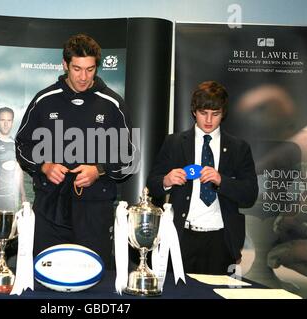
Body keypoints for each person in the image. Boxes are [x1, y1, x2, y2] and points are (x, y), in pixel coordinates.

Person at [15, 33, 135, 269]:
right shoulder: (44, 100)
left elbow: (130, 157)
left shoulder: (113, 104)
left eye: (90, 69)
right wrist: (44, 166)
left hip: (95, 212)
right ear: (65, 65)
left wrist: (98, 170)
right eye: (77, 69)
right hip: (50, 210)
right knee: (45, 280)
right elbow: (22, 145)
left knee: (94, 283)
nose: (83, 77)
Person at [147, 80, 258, 275]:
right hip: (181, 237)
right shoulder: (174, 143)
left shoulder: (238, 148)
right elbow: (152, 185)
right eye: (203, 113)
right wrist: (166, 180)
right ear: (193, 111)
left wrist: (222, 180)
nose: (208, 120)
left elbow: (250, 195)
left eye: (215, 114)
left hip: (221, 241)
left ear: (223, 113)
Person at [0, 107, 26, 211]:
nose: (6, 124)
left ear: (12, 122)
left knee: (10, 226)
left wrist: (23, 194)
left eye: (9, 120)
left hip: (11, 198)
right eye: (2, 120)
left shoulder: (15, 144)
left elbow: (18, 171)